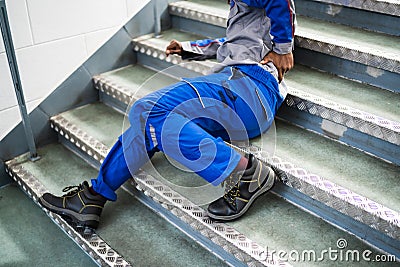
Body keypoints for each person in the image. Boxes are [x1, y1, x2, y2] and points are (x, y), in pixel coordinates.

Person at [39, 0, 295, 229]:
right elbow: (234, 44)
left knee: (147, 108)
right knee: (151, 125)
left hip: (245, 87)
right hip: (245, 104)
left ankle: (245, 172)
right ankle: (92, 199)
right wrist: (190, 48)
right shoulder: (246, 13)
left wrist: (284, 48)